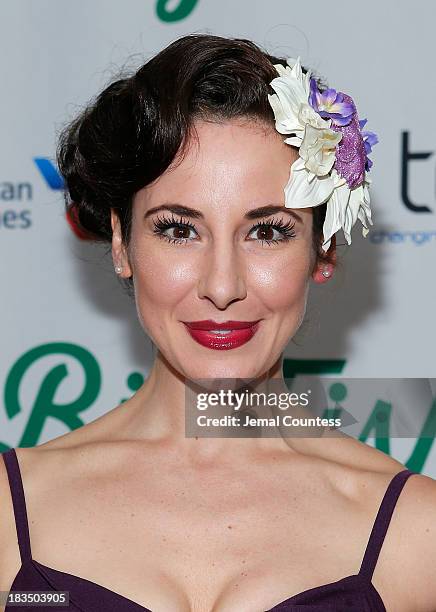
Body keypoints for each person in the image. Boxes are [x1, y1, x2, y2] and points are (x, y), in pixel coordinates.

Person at [1, 33, 435, 612]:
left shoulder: (416, 533)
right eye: (179, 230)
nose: (223, 287)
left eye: (268, 231)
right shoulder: (9, 512)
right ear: (121, 242)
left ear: (323, 249)